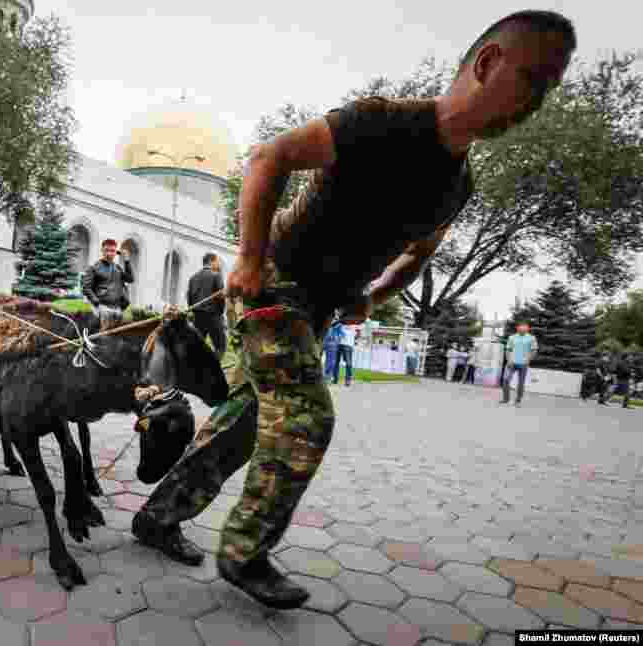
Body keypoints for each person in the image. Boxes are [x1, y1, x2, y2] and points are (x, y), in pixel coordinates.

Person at [129, 10, 575, 610]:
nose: (539, 99)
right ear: (489, 62)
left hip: (315, 312)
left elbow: (419, 254)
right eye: (535, 79)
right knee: (308, 419)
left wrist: (375, 295)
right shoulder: (380, 122)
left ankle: (158, 518)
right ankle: (244, 551)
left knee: (246, 424)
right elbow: (268, 158)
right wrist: (250, 259)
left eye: (549, 87)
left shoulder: (458, 185)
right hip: (275, 290)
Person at [81, 238, 134, 327]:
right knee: (103, 336)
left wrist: (127, 260)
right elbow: (86, 288)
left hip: (118, 308)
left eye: (112, 251)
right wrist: (97, 304)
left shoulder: (118, 268)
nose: (109, 253)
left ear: (116, 252)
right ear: (102, 251)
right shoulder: (94, 268)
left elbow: (130, 279)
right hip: (102, 307)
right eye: (107, 250)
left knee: (120, 335)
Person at [187, 253, 226, 357]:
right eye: (217, 261)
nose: (218, 264)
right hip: (213, 315)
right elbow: (221, 297)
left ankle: (196, 370)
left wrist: (194, 312)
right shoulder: (216, 275)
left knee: (197, 346)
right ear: (211, 261)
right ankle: (213, 370)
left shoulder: (193, 278)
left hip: (197, 316)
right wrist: (221, 313)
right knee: (220, 346)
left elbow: (189, 299)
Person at [501, 322, 538, 406]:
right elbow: (508, 349)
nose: (522, 330)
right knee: (506, 380)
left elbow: (534, 350)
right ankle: (506, 399)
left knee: (521, 383)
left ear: (527, 329)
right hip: (511, 363)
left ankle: (518, 400)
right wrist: (508, 360)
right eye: (521, 329)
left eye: (524, 329)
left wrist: (529, 360)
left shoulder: (531, 338)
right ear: (517, 328)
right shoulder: (512, 337)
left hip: (523, 363)